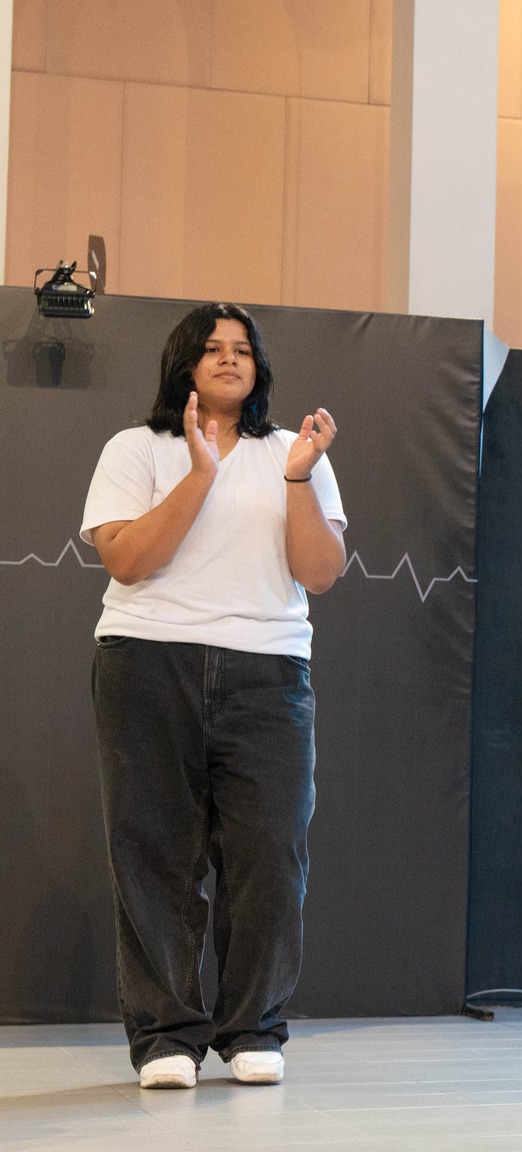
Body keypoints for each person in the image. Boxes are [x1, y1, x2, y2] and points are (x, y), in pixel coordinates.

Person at [81, 302, 346, 1089]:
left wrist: (298, 476)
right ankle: (166, 1037)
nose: (230, 358)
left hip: (268, 672)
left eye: (242, 349)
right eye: (212, 347)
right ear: (184, 362)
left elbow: (320, 572)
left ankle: (252, 1028)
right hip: (147, 662)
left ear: (259, 367)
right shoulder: (137, 447)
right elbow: (127, 561)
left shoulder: (293, 451)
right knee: (155, 855)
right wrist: (202, 473)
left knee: (271, 855)